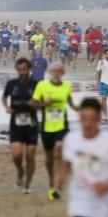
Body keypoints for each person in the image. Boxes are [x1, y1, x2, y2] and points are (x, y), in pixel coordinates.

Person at [32, 62, 79, 201]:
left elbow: (70, 102)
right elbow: (33, 104)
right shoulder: (42, 86)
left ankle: (58, 181)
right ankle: (52, 180)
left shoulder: (67, 86)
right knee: (49, 157)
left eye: (59, 71)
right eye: (54, 71)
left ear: (63, 73)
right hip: (47, 126)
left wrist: (79, 109)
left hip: (62, 124)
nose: (56, 73)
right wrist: (44, 104)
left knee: (58, 149)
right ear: (50, 72)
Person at [2, 57, 39, 193]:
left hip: (32, 124)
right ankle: (20, 170)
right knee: (17, 154)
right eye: (19, 70)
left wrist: (37, 105)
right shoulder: (12, 83)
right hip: (16, 123)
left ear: (29, 69)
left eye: (24, 70)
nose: (22, 72)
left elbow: (42, 103)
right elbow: (4, 97)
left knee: (30, 155)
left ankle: (28, 184)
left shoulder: (36, 85)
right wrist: (6, 107)